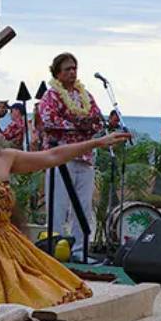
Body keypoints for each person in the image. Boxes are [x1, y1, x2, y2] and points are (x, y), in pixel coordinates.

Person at [0, 62, 130, 321]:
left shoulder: (6, 158)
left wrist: (98, 142)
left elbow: (52, 155)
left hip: (8, 245)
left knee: (52, 290)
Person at [36, 52, 105, 261]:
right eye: (67, 69)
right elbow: (49, 121)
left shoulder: (85, 96)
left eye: (74, 68)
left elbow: (97, 121)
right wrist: (79, 124)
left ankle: (80, 251)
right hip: (60, 158)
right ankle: (55, 252)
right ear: (57, 73)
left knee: (83, 207)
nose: (72, 72)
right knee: (58, 207)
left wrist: (77, 124)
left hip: (84, 158)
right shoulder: (51, 96)